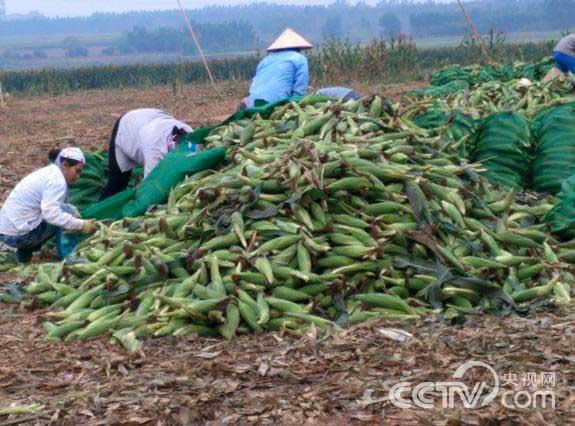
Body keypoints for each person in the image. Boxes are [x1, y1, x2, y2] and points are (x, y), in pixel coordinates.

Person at [0, 147, 96, 263]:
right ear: (65, 164)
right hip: (18, 236)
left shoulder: (50, 172)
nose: (78, 176)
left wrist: (70, 207)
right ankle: (68, 257)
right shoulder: (56, 181)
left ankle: (24, 257)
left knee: (65, 210)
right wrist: (81, 225)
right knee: (64, 215)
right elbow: (51, 214)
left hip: (8, 231)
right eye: (77, 171)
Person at [100, 108, 194, 200]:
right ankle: (99, 212)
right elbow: (150, 186)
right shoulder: (155, 152)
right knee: (117, 185)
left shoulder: (191, 137)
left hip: (150, 118)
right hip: (127, 126)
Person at [239, 28, 313, 110]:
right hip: (276, 104)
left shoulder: (264, 60)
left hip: (253, 103)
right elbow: (299, 92)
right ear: (298, 48)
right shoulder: (299, 58)